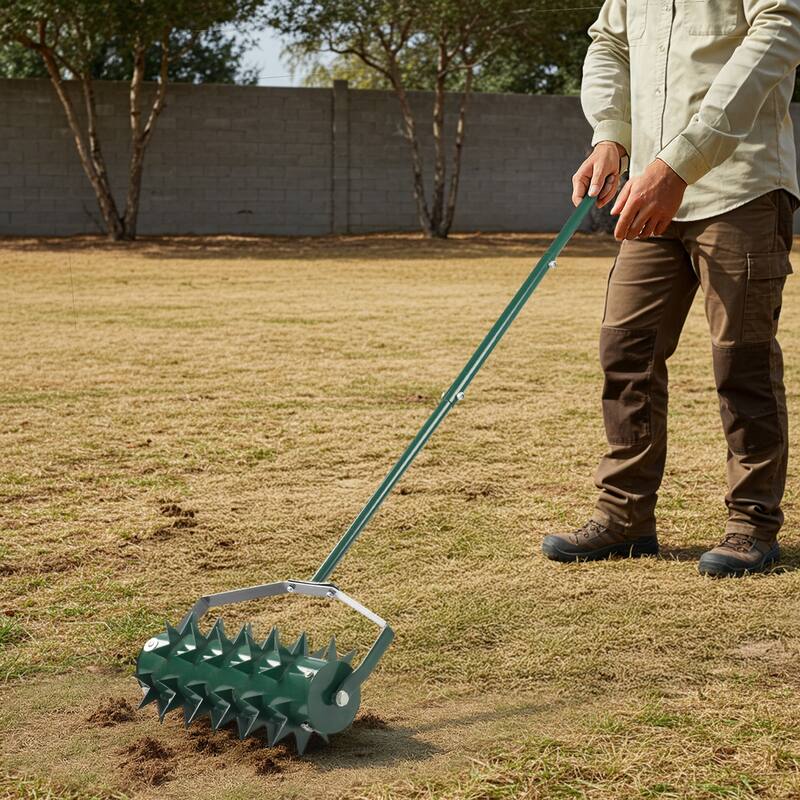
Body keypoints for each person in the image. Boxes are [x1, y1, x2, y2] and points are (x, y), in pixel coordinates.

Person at [542, 0, 800, 576]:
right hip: (651, 189)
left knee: (742, 361)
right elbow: (609, 43)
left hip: (743, 186)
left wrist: (681, 162)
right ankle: (625, 517)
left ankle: (752, 524)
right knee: (625, 348)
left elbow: (780, 30)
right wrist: (610, 133)